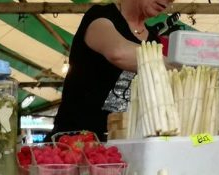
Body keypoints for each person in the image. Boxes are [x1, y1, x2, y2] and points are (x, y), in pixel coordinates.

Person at [53, 0, 173, 139]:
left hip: (122, 143)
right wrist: (176, 64)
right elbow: (118, 52)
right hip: (74, 140)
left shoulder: (154, 41)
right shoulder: (100, 16)